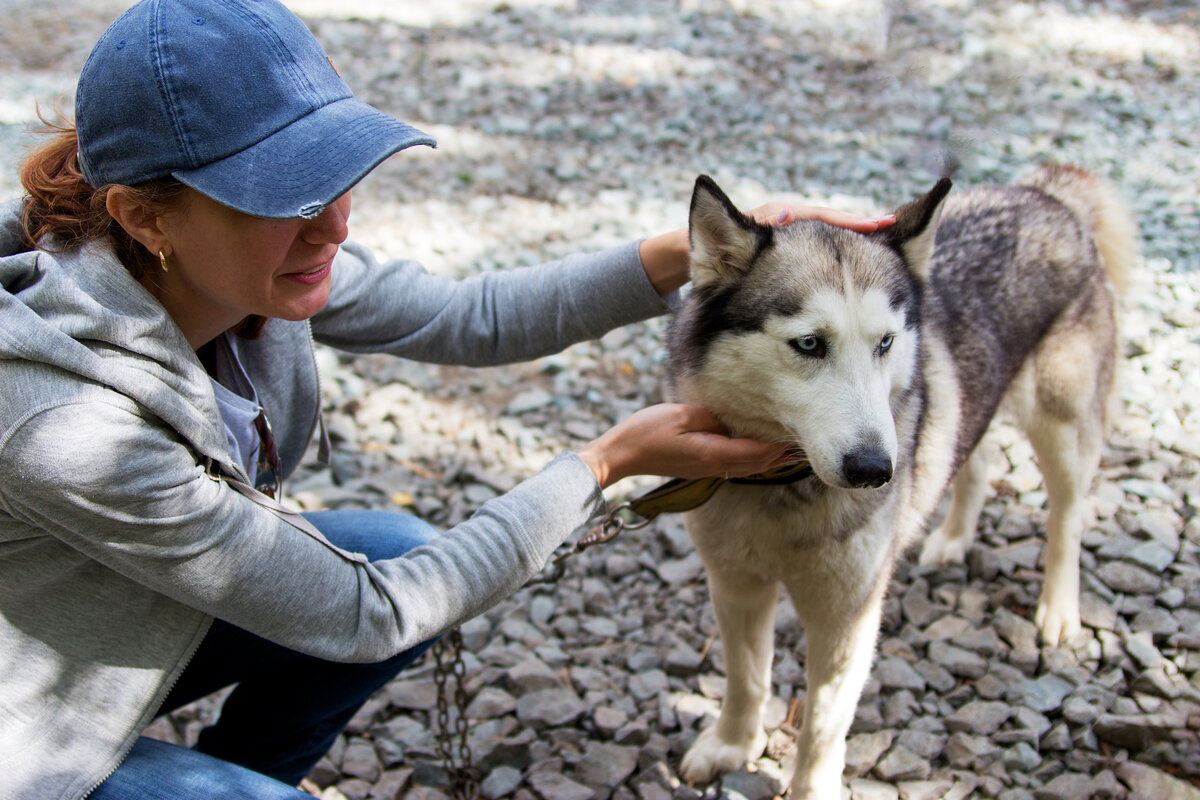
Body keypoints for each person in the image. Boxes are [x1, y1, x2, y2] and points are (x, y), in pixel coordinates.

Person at [0, 1, 895, 798]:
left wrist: (693, 255)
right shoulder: (63, 423)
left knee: (398, 543)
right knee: (389, 584)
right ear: (146, 216)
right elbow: (372, 613)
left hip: (116, 622)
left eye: (336, 171)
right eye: (281, 193)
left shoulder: (236, 270)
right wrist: (606, 463)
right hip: (29, 732)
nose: (333, 222)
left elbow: (471, 316)